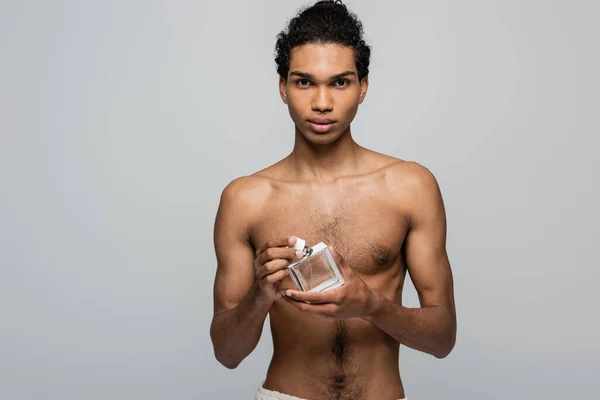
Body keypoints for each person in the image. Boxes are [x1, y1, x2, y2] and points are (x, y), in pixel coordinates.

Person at [210, 1, 457, 399]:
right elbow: (226, 353)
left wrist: (371, 305)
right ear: (283, 87)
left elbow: (443, 339)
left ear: (363, 87)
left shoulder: (410, 186)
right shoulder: (246, 198)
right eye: (304, 82)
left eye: (339, 82)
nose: (322, 102)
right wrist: (261, 295)